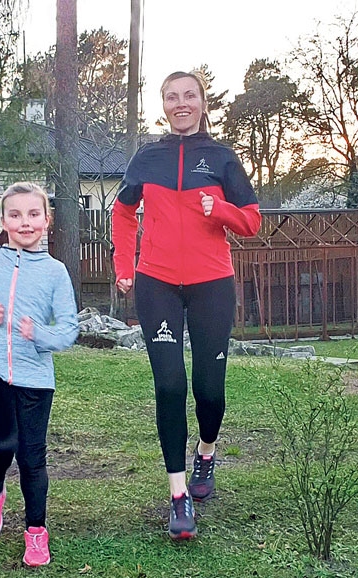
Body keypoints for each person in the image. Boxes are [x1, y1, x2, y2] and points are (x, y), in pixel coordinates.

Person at [112, 71, 262, 539]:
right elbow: (121, 212)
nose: (181, 103)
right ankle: (178, 497)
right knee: (171, 385)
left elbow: (252, 222)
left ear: (201, 102)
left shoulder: (221, 158)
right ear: (164, 104)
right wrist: (123, 265)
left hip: (212, 284)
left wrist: (218, 210)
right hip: (156, 282)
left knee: (209, 391)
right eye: (172, 97)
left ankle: (207, 453)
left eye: (189, 95)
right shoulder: (147, 157)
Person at [0, 182, 79, 567]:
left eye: (32, 214)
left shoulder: (56, 272)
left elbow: (69, 329)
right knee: (3, 441)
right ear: (3, 221)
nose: (24, 222)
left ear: (46, 220)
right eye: (15, 215)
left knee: (32, 458)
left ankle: (36, 533)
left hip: (36, 375)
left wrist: (39, 334)